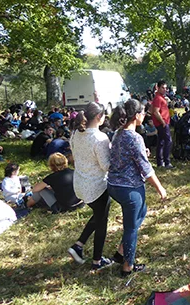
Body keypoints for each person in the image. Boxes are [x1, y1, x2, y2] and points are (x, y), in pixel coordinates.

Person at [108, 98, 167, 277]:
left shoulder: (118, 133)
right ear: (136, 116)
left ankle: (121, 252)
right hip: (129, 188)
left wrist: (143, 154)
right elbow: (146, 169)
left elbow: (123, 156)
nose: (145, 115)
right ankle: (128, 266)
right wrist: (160, 188)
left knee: (141, 212)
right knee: (131, 228)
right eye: (143, 112)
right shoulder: (135, 137)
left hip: (114, 185)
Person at [68, 102, 117, 272]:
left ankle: (78, 245)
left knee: (98, 215)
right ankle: (97, 261)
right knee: (101, 222)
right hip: (97, 187)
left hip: (80, 184)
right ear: (98, 117)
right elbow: (106, 166)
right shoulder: (100, 138)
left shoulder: (76, 134)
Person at [151, 80, 174, 169]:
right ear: (158, 88)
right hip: (162, 123)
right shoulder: (158, 98)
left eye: (165, 88)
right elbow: (155, 112)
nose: (164, 90)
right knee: (168, 141)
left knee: (161, 142)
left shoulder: (161, 97)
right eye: (162, 88)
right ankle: (167, 162)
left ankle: (160, 162)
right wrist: (162, 122)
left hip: (163, 122)